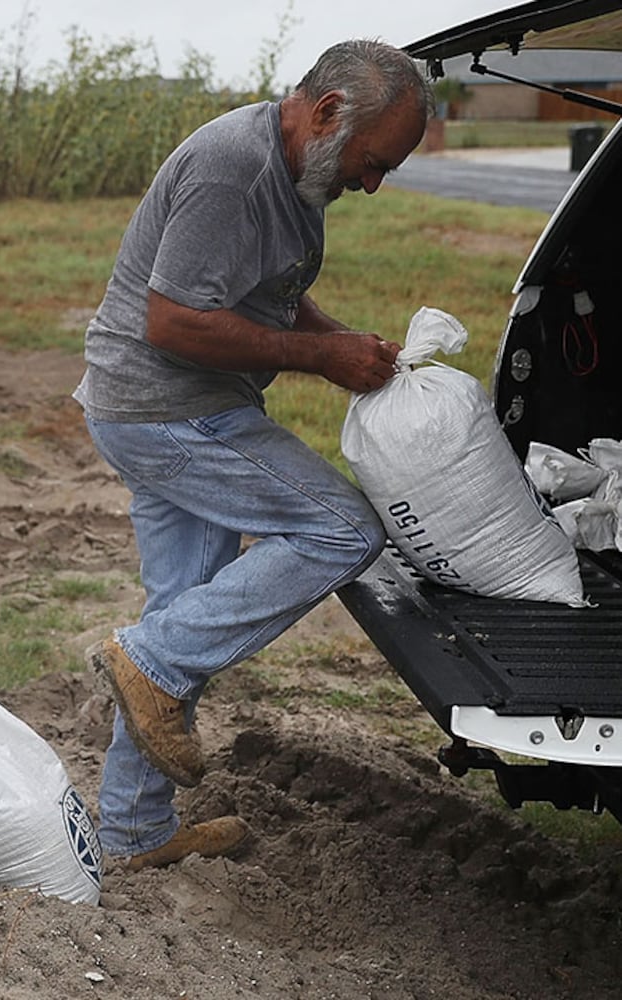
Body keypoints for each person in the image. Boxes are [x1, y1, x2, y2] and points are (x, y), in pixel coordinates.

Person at [75, 41, 429, 870]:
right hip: (165, 408)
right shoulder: (234, 169)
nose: (371, 185)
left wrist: (338, 340)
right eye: (373, 164)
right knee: (342, 529)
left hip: (171, 403)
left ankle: (131, 834)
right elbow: (174, 321)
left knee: (187, 602)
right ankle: (151, 662)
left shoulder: (294, 166)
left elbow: (263, 287)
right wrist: (322, 360)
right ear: (329, 112)